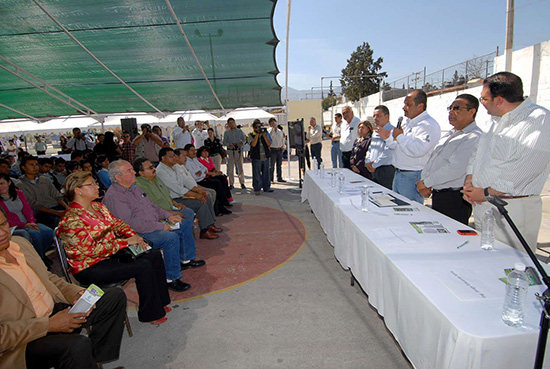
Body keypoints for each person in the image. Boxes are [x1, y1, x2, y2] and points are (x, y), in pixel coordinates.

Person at [0, 209, 127, 369]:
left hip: (54, 309)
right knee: (76, 346)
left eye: (3, 224)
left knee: (113, 297)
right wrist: (48, 325)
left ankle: (95, 362)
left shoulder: (20, 244)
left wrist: (75, 293)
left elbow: (48, 278)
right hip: (26, 339)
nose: (2, 232)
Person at [58, 171, 172, 323]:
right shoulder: (71, 218)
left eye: (95, 183)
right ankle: (150, 313)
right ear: (78, 190)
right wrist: (126, 242)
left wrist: (135, 238)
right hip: (90, 266)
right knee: (143, 266)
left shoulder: (98, 207)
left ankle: (160, 302)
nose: (97, 187)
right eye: (91, 184)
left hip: (111, 254)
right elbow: (90, 250)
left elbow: (118, 224)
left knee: (153, 254)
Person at [462, 72, 550, 253]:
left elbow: (525, 169)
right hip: (483, 206)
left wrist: (485, 193)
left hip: (513, 210)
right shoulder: (493, 121)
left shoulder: (539, 120)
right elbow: (478, 154)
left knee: (510, 265)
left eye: (484, 98)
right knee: (485, 260)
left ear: (499, 100)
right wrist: (470, 182)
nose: (482, 103)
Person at [102, 160, 205, 292]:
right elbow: (130, 224)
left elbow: (153, 206)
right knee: (170, 238)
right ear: (118, 177)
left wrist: (169, 216)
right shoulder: (115, 197)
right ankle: (171, 278)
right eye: (129, 171)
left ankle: (185, 260)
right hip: (137, 234)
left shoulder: (134, 188)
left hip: (152, 224)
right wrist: (160, 226)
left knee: (182, 223)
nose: (134, 172)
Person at [416, 94, 482, 225]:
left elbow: (454, 168)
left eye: (457, 108)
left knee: (452, 239)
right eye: (450, 108)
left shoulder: (473, 137)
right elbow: (433, 160)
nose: (451, 112)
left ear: (472, 111)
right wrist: (425, 181)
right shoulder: (451, 134)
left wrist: (427, 182)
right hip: (439, 194)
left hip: (455, 198)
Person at [379, 90, 441, 203]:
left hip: (412, 176)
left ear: (420, 106)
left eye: (408, 104)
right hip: (399, 173)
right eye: (404, 104)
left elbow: (418, 150)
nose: (404, 107)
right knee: (398, 209)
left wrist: (400, 136)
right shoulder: (407, 122)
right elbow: (395, 145)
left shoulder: (428, 125)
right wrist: (387, 138)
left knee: (409, 212)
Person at [156, 147, 221, 239]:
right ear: (163, 158)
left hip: (182, 195)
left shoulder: (174, 167)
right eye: (172, 156)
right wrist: (196, 195)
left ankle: (209, 224)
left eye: (175, 156)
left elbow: (186, 182)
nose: (175, 158)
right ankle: (204, 230)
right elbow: (178, 189)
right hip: (175, 199)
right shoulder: (161, 171)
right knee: (200, 203)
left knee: (205, 196)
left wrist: (199, 191)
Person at [0, 173, 54, 259]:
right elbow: (6, 220)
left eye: (2, 183)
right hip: (15, 226)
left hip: (28, 222)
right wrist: (24, 225)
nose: (0, 187)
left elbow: (27, 209)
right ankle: (39, 259)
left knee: (49, 232)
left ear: (9, 182)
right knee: (35, 235)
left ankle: (41, 254)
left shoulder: (18, 193)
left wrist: (31, 222)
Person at [133, 158, 197, 223]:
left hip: (170, 208)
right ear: (141, 173)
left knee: (189, 212)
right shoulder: (140, 186)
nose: (154, 169)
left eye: (153, 166)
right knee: (183, 221)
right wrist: (172, 213)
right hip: (159, 215)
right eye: (150, 168)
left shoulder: (156, 178)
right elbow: (152, 207)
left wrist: (176, 204)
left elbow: (166, 194)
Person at [15, 156, 68, 229]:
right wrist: (56, 212)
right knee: (58, 222)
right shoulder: (20, 185)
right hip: (41, 212)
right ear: (23, 167)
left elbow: (56, 195)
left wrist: (66, 207)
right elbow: (34, 205)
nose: (35, 167)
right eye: (31, 165)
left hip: (55, 206)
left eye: (36, 164)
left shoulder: (44, 180)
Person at [185, 144, 233, 211]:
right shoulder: (187, 162)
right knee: (217, 183)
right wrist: (202, 172)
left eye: (194, 150)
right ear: (186, 152)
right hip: (199, 182)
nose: (194, 152)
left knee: (222, 178)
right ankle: (221, 205)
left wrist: (201, 171)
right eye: (191, 150)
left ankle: (227, 200)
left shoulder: (195, 159)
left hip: (204, 178)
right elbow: (195, 176)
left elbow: (205, 169)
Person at [365, 105, 395, 189]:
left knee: (386, 198)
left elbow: (388, 152)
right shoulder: (376, 132)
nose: (375, 118)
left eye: (378, 116)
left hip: (385, 170)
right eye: (374, 116)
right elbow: (371, 148)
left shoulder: (392, 131)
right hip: (373, 169)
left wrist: (374, 164)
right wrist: (367, 161)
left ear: (387, 117)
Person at [248, 119, 273, 195]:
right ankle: (257, 188)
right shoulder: (251, 135)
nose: (258, 128)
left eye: (259, 127)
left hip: (265, 156)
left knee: (266, 173)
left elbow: (269, 144)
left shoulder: (265, 133)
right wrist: (257, 135)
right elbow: (253, 144)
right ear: (253, 128)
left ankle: (266, 187)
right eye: (257, 127)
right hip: (256, 157)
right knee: (256, 174)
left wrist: (264, 136)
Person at [222, 117, 247, 189]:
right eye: (230, 123)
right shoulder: (226, 132)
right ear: (228, 124)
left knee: (240, 168)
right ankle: (231, 183)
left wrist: (241, 143)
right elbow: (224, 142)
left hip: (238, 150)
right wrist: (229, 144)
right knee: (230, 168)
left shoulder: (239, 131)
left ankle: (242, 183)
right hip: (230, 151)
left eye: (233, 123)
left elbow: (244, 139)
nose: (232, 124)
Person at [268, 117, 286, 182]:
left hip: (279, 149)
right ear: (270, 124)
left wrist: (283, 147)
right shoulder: (269, 130)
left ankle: (279, 177)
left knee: (279, 165)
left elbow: (283, 139)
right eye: (272, 123)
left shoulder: (280, 131)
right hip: (272, 149)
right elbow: (270, 137)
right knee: (271, 165)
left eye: (274, 122)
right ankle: (270, 179)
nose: (274, 124)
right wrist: (273, 128)